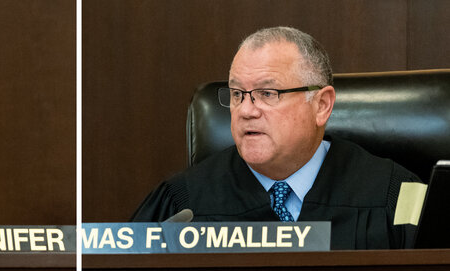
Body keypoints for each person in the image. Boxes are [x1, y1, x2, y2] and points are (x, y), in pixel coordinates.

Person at [131, 26, 420, 249]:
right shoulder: (183, 203)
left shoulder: (397, 195)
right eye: (236, 94)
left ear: (321, 106)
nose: (246, 110)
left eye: (267, 94)